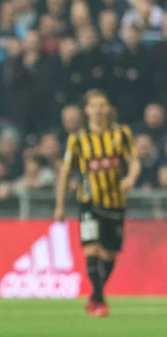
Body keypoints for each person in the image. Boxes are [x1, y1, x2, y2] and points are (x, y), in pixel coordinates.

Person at [55, 89, 141, 317]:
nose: (99, 109)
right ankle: (100, 301)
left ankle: (94, 296)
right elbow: (65, 172)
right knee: (92, 248)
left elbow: (134, 161)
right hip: (89, 201)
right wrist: (60, 205)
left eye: (103, 105)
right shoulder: (78, 139)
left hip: (115, 201)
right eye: (95, 105)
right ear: (87, 109)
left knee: (110, 255)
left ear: (108, 108)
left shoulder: (122, 134)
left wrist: (130, 178)